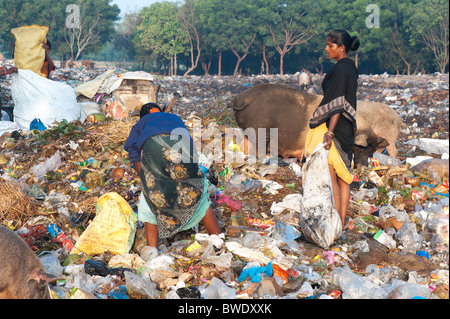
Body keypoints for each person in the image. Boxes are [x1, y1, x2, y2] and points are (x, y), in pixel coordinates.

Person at [124, 103, 221, 261]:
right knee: (196, 192)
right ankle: (218, 240)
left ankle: (152, 254)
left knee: (152, 197)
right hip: (181, 144)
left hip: (154, 146)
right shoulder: (173, 117)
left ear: (143, 116)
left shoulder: (141, 123)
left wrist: (146, 177)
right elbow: (189, 145)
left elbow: (132, 151)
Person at [305, 29, 360, 229]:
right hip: (348, 126)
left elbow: (336, 103)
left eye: (330, 46)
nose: (326, 49)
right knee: (344, 177)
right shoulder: (351, 68)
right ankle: (342, 222)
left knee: (332, 175)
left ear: (342, 48)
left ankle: (335, 223)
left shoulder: (340, 70)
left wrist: (329, 131)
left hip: (335, 127)